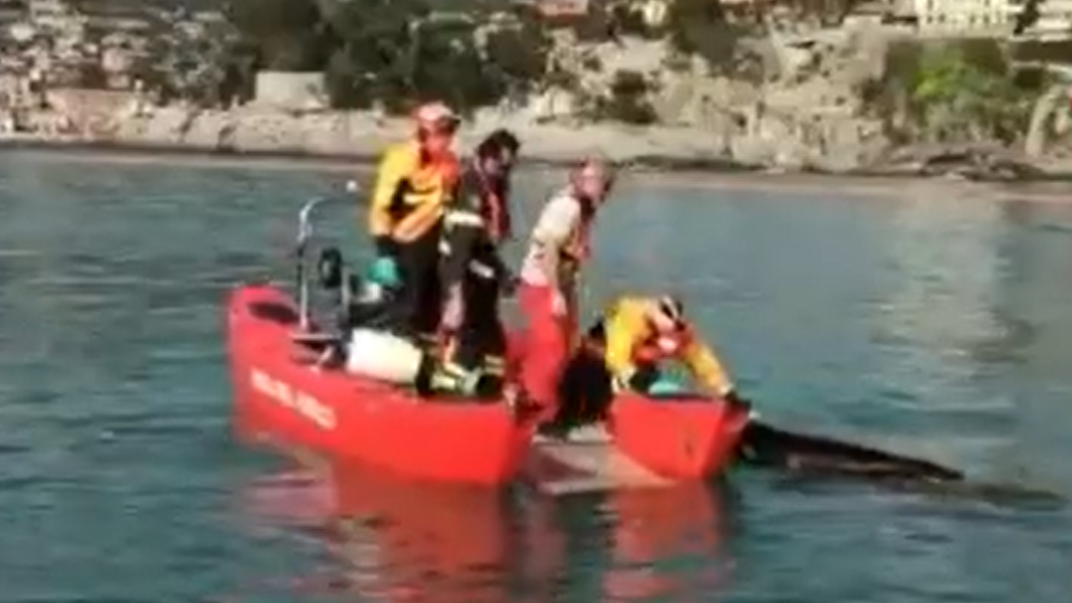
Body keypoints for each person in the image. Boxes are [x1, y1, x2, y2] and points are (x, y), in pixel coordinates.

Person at [547, 295, 749, 432]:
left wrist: (727, 392)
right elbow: (617, 355)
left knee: (648, 385)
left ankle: (642, 422)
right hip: (600, 359)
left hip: (638, 366)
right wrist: (632, 376)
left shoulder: (681, 333)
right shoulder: (631, 316)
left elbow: (703, 361)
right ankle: (566, 420)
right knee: (587, 388)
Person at [517, 156, 615, 418]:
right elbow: (549, 249)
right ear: (580, 179)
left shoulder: (584, 208)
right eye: (594, 181)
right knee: (552, 349)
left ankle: (550, 403)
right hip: (543, 283)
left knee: (566, 344)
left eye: (604, 183)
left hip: (562, 282)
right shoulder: (568, 206)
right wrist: (555, 292)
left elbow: (568, 249)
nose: (600, 188)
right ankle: (538, 411)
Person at [367, 101, 462, 345]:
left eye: (450, 132)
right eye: (441, 133)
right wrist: (384, 252)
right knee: (409, 302)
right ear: (424, 133)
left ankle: (430, 352)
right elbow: (381, 208)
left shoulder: (450, 161)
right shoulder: (401, 160)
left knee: (433, 302)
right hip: (406, 241)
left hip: (440, 241)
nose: (447, 139)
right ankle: (397, 342)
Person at [435, 129, 522, 396]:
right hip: (462, 272)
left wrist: (503, 274)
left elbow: (485, 247)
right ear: (485, 159)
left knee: (494, 342)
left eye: (508, 166)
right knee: (471, 337)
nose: (503, 172)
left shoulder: (495, 189)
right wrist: (455, 297)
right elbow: (461, 250)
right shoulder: (470, 189)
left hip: (482, 271)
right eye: (499, 165)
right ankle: (447, 387)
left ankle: (490, 390)